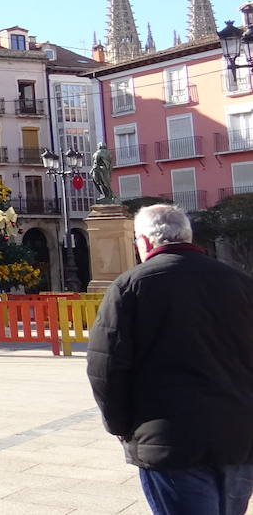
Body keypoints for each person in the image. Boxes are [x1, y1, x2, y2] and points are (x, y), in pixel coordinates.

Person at [87, 204, 253, 514]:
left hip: (169, 439)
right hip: (239, 435)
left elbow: (105, 366)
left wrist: (119, 424)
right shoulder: (241, 283)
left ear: (146, 242)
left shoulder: (130, 287)